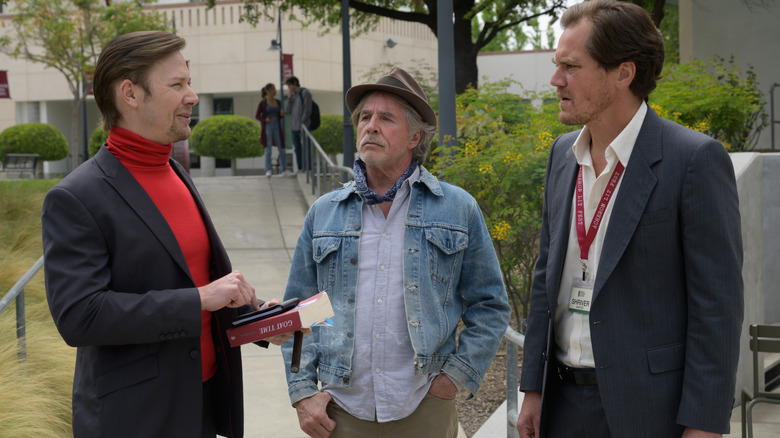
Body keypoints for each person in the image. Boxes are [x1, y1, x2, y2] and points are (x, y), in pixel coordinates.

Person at [41, 31, 294, 438]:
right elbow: (80, 317)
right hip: (138, 418)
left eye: (188, 82)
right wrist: (200, 298)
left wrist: (260, 317)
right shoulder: (76, 197)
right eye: (177, 85)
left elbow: (193, 283)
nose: (192, 96)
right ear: (130, 94)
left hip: (203, 406)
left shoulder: (175, 172)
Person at [516, 1, 744, 437]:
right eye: (555, 64)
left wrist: (704, 424)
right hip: (560, 406)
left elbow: (717, 308)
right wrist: (533, 389)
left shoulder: (693, 160)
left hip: (649, 412)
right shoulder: (561, 155)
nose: (555, 80)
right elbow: (546, 277)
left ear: (623, 73)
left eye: (571, 66)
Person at [280, 66, 511, 438]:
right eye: (365, 117)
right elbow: (300, 311)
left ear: (414, 136)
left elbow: (490, 305)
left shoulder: (456, 208)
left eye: (386, 118)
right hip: (341, 411)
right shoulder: (324, 214)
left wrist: (455, 377)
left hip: (424, 406)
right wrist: (304, 392)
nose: (371, 126)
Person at [255, 82, 292, 177]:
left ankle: (284, 169)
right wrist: (265, 119)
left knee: (281, 148)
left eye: (275, 89)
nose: (275, 91)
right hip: (268, 126)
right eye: (273, 89)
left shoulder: (278, 102)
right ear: (267, 91)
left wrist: (282, 115)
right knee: (268, 149)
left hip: (277, 125)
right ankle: (268, 169)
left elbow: (281, 115)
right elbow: (257, 116)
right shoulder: (263, 103)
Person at [284, 75, 313, 172]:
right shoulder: (293, 96)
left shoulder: (305, 93)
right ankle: (300, 168)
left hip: (303, 126)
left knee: (306, 148)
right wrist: (289, 98)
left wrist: (302, 123)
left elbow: (307, 109)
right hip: (294, 127)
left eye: (289, 85)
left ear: (295, 83)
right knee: (297, 149)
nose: (289, 88)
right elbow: (287, 110)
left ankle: (308, 168)